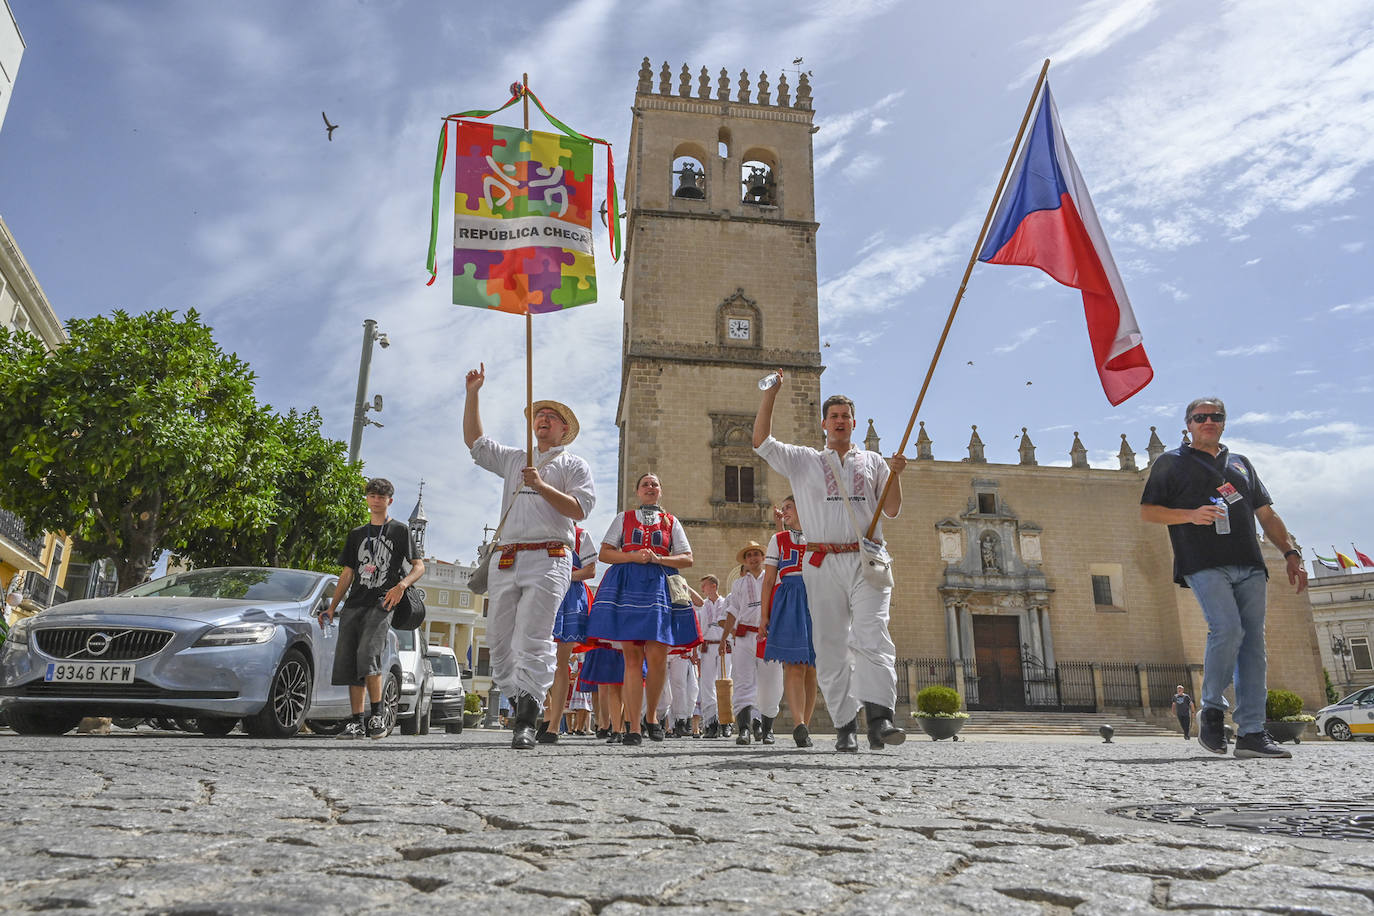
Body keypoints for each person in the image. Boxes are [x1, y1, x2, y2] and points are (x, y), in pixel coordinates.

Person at [1141, 397, 1307, 759]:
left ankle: (1251, 732)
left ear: (1224, 423)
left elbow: (1265, 513)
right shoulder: (1170, 462)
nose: (1209, 422)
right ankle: (1212, 710)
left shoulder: (1240, 464)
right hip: (1203, 561)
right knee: (1227, 628)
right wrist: (1190, 515)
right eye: (1201, 417)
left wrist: (1290, 554)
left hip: (1249, 562)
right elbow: (1149, 511)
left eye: (1216, 417)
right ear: (1188, 423)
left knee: (1253, 646)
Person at [754, 371, 909, 752]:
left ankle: (879, 719)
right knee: (830, 644)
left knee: (873, 633)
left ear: (854, 423)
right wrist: (771, 394)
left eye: (846, 415)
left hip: (867, 560)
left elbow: (891, 510)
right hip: (821, 561)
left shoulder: (873, 461)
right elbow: (761, 442)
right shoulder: (804, 461)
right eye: (834, 416)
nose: (840, 420)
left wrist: (897, 476)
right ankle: (844, 724)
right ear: (824, 424)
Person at [464, 364, 596, 750]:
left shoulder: (573, 464)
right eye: (539, 415)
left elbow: (579, 509)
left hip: (550, 556)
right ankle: (521, 697)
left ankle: (526, 716)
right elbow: (475, 442)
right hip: (507, 556)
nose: (543, 419)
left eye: (551, 417)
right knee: (499, 642)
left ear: (564, 431)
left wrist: (540, 485)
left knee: (535, 638)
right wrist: (473, 393)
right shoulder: (514, 458)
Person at [585, 472, 697, 746]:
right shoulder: (624, 518)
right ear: (638, 491)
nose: (650, 487)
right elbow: (605, 553)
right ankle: (633, 726)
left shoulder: (671, 522)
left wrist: (660, 557)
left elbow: (687, 558)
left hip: (659, 585)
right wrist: (633, 556)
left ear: (660, 491)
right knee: (632, 658)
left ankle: (652, 716)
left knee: (657, 657)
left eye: (655, 484)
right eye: (645, 484)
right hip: (628, 585)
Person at [321, 477, 425, 740]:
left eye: (381, 497)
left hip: (383, 602)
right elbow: (347, 573)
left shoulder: (400, 531)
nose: (376, 500)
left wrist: (401, 586)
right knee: (349, 661)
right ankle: (356, 721)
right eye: (372, 496)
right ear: (367, 499)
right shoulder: (357, 534)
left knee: (368, 654)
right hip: (354, 603)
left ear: (390, 501)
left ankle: (377, 716)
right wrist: (333, 607)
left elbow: (419, 566)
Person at [761, 496, 820, 748]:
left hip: (816, 598)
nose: (784, 512)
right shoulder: (778, 540)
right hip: (789, 599)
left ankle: (804, 725)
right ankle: (798, 723)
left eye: (788, 507)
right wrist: (764, 615)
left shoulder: (818, 535)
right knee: (794, 664)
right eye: (783, 509)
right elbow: (768, 580)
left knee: (811, 667)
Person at [538, 525, 598, 744]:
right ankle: (547, 712)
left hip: (571, 596)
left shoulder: (582, 535)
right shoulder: (543, 530)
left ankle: (553, 726)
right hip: (544, 594)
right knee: (535, 656)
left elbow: (590, 570)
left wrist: (563, 576)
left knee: (561, 662)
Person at [690, 576, 731, 738]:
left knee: (725, 683)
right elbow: (696, 627)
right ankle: (710, 723)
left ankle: (726, 722)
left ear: (713, 586)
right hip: (707, 647)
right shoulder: (702, 606)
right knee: (707, 685)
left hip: (724, 646)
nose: (702, 590)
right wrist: (695, 652)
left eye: (704, 586)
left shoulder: (726, 602)